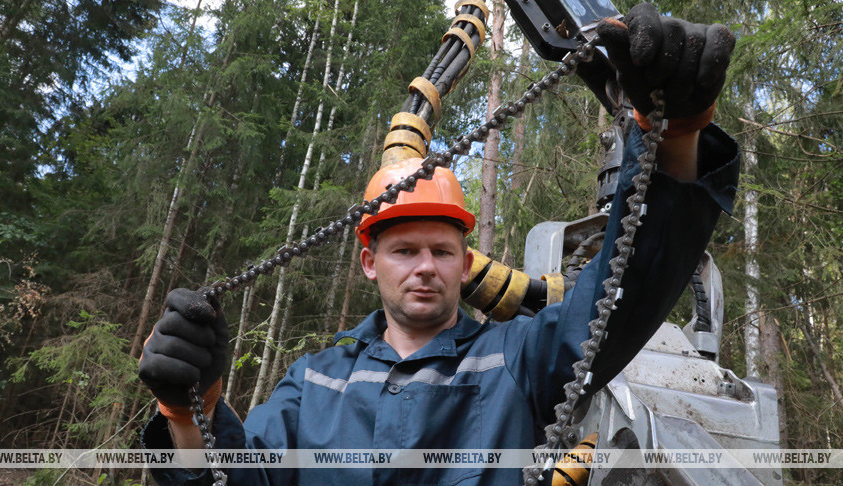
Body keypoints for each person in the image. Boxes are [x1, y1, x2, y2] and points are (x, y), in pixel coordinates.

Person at [138, 4, 739, 485]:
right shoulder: (312, 385)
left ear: (465, 260)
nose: (425, 267)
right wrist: (189, 412)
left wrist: (676, 138)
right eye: (405, 251)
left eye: (443, 251)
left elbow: (628, 290)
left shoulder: (522, 360)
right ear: (370, 262)